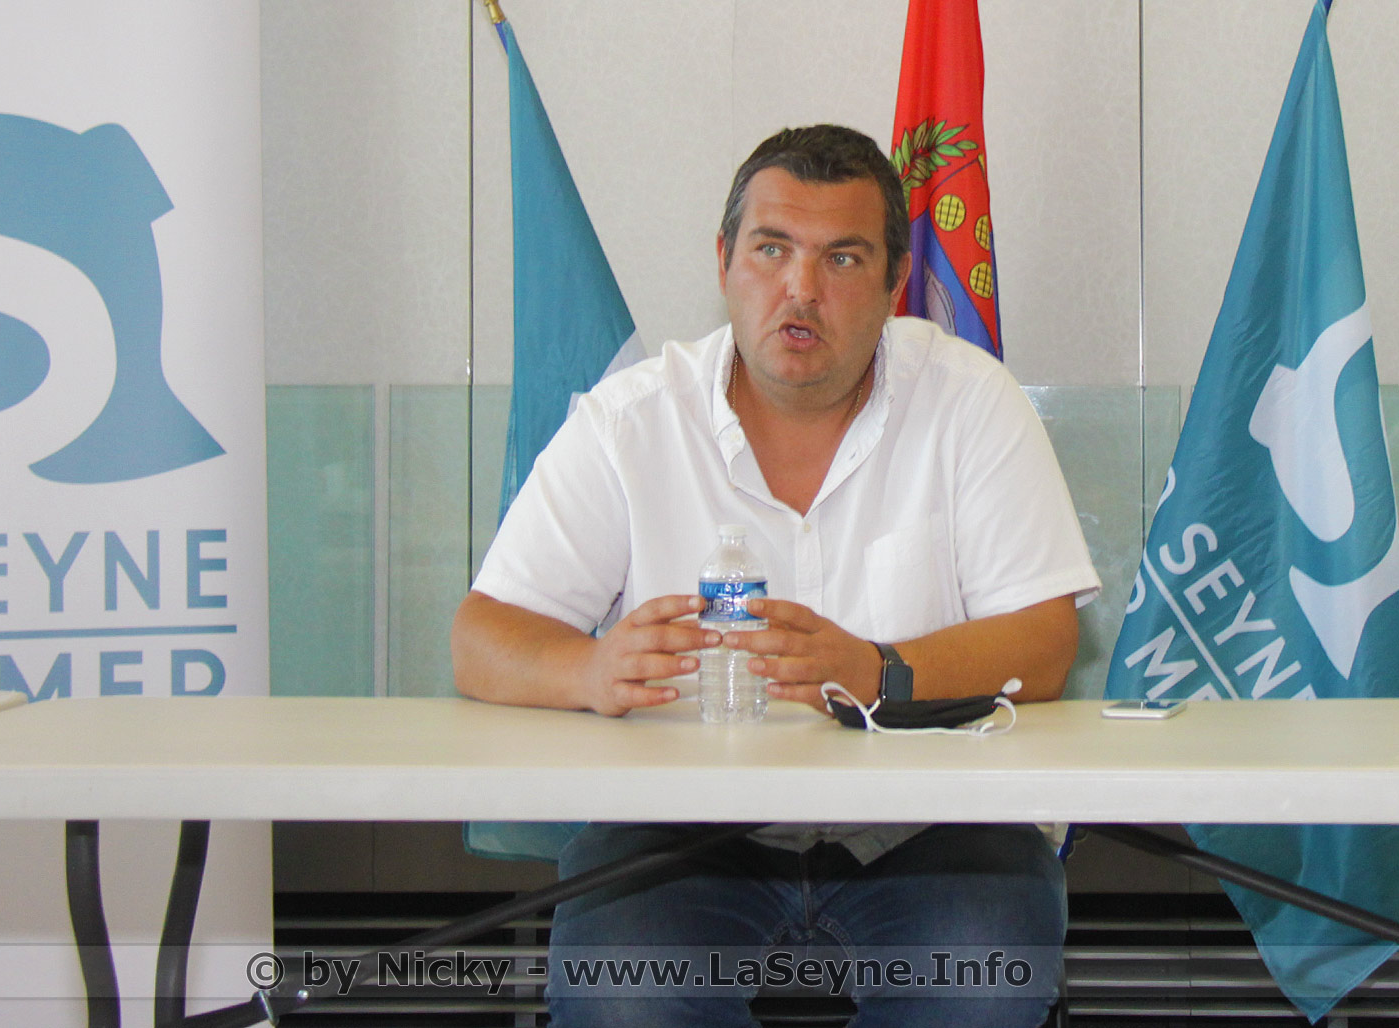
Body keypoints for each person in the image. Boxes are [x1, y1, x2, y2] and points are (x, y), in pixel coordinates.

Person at [452, 124, 1100, 1027]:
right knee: (623, 994)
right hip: (680, 827)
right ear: (723, 262)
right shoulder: (631, 420)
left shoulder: (969, 401)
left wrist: (879, 670)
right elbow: (483, 636)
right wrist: (589, 669)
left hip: (935, 823)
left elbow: (1045, 643)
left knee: (980, 981)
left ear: (895, 283)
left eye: (842, 258)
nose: (801, 288)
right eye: (771, 249)